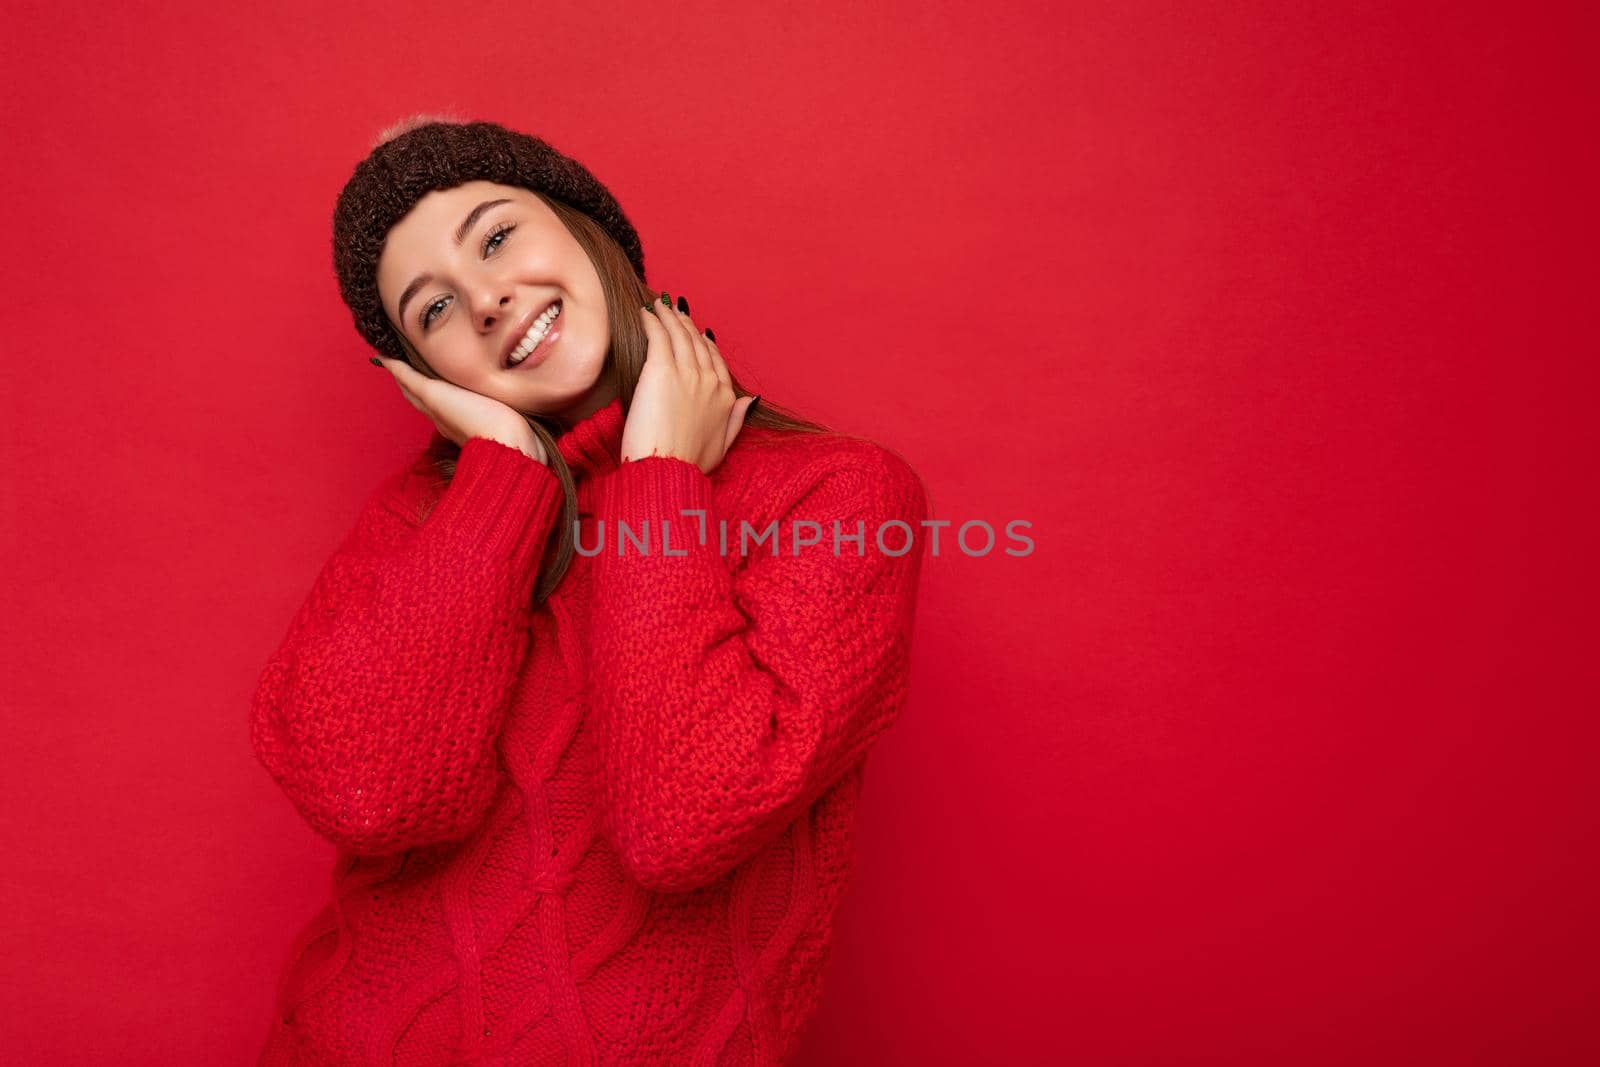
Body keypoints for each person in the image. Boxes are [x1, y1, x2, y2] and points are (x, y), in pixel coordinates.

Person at [250, 117, 930, 1065]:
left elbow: (681, 821)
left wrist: (657, 477)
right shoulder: (423, 522)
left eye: (495, 237)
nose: (486, 300)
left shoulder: (838, 496)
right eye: (432, 310)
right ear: (419, 374)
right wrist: (503, 478)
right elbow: (370, 797)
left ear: (585, 226)